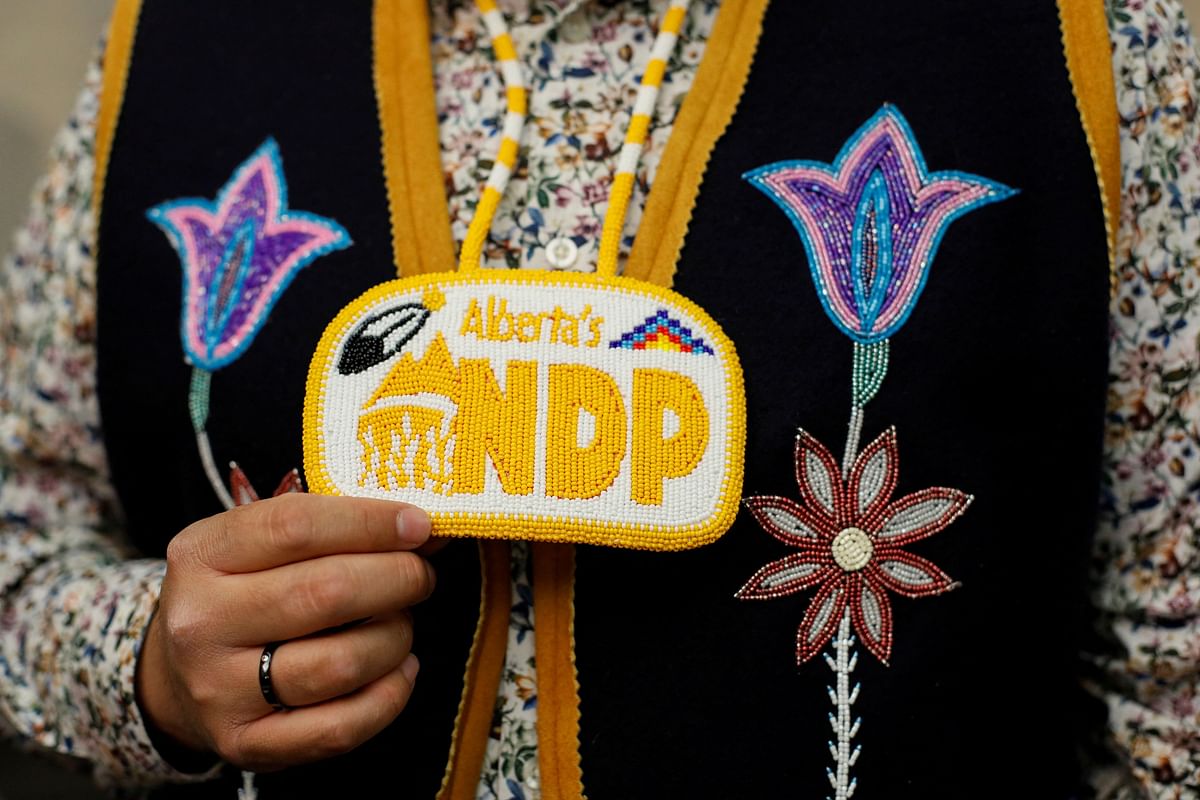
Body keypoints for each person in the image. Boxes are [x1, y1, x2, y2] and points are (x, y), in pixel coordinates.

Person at [0, 0, 1193, 797]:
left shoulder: (1093, 44)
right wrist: (149, 667)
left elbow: (1173, 693)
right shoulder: (175, 40)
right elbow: (19, 541)